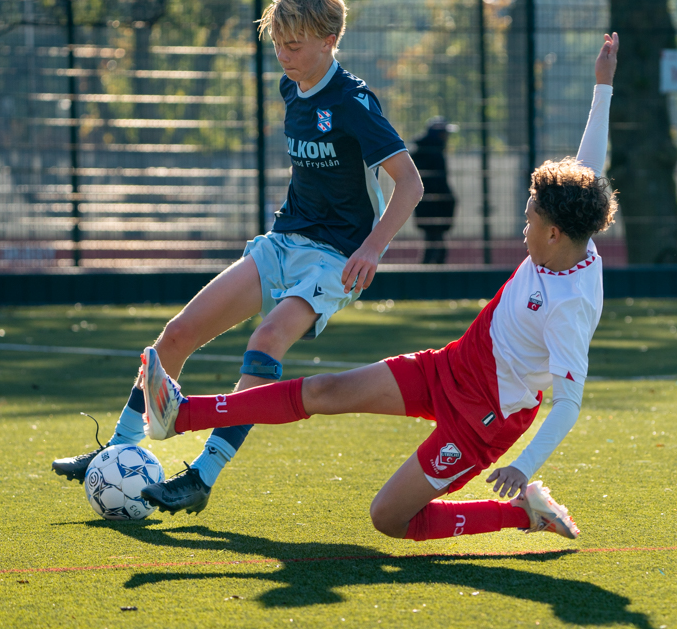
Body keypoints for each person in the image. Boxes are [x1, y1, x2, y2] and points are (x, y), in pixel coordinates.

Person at [140, 34, 619, 543]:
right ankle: (182, 414)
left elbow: (568, 402)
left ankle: (523, 513)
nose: (523, 228)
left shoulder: (572, 306)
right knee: (325, 389)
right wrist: (602, 87)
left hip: (484, 418)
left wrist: (522, 466)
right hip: (449, 367)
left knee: (389, 518)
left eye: (529, 220)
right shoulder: (569, 232)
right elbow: (587, 167)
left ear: (554, 232)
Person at [51, 0, 424, 514]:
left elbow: (410, 184)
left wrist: (371, 249)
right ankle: (116, 449)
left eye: (294, 46)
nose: (284, 57)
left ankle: (201, 477)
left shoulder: (355, 102)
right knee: (177, 335)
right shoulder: (290, 87)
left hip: (332, 260)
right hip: (282, 241)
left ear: (329, 40)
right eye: (277, 45)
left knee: (267, 340)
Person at [411, 116, 457, 264]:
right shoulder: (434, 153)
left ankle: (425, 276)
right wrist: (449, 201)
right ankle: (428, 279)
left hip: (423, 205)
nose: (447, 137)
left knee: (433, 244)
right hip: (435, 207)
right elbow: (439, 182)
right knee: (436, 247)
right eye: (444, 133)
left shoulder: (419, 152)